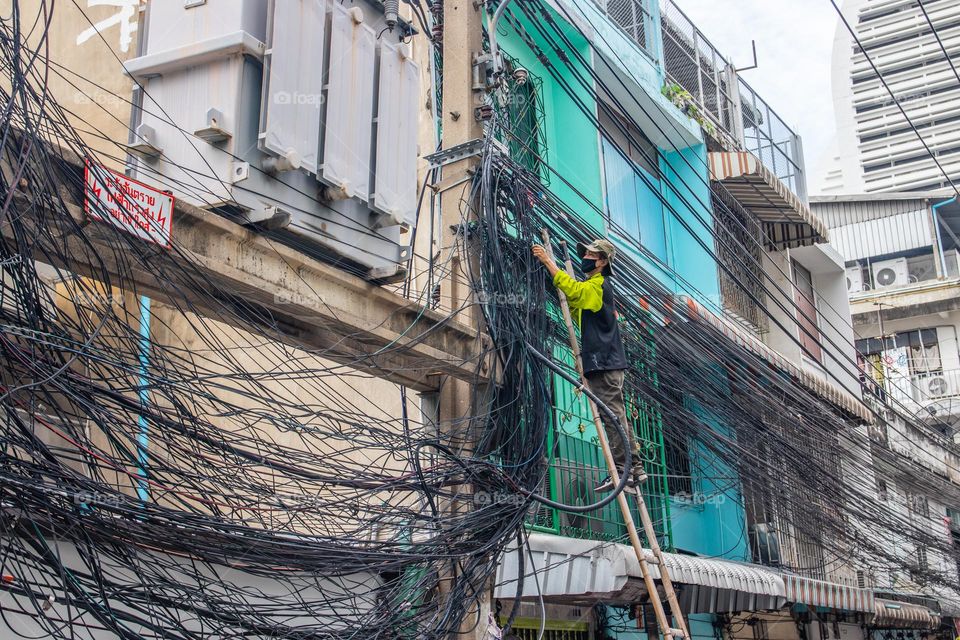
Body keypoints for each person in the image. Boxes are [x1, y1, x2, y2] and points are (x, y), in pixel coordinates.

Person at [532, 238, 642, 492]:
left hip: (604, 363)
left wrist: (548, 262)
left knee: (612, 417)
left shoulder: (598, 284)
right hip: (603, 362)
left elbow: (577, 293)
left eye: (591, 255)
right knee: (617, 415)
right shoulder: (593, 287)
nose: (586, 258)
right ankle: (635, 469)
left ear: (602, 262)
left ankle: (623, 471)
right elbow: (578, 306)